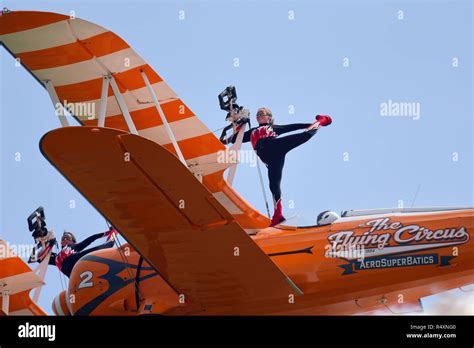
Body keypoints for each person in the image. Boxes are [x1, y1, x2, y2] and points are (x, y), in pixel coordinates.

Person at [221, 107, 332, 226]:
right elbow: (232, 139)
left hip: (276, 148)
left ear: (269, 117)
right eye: (257, 114)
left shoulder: (273, 128)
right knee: (274, 185)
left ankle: (322, 121)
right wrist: (235, 126)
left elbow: (292, 127)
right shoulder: (252, 132)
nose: (259, 116)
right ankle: (278, 216)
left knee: (304, 136)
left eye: (262, 114)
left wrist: (309, 124)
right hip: (269, 160)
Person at [47, 229, 117, 277]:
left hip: (74, 259)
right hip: (69, 271)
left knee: (96, 251)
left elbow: (90, 239)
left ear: (73, 242)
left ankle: (113, 236)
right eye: (63, 238)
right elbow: (45, 260)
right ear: (61, 243)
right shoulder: (57, 257)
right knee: (50, 258)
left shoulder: (75, 246)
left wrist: (106, 233)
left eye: (67, 238)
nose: (65, 239)